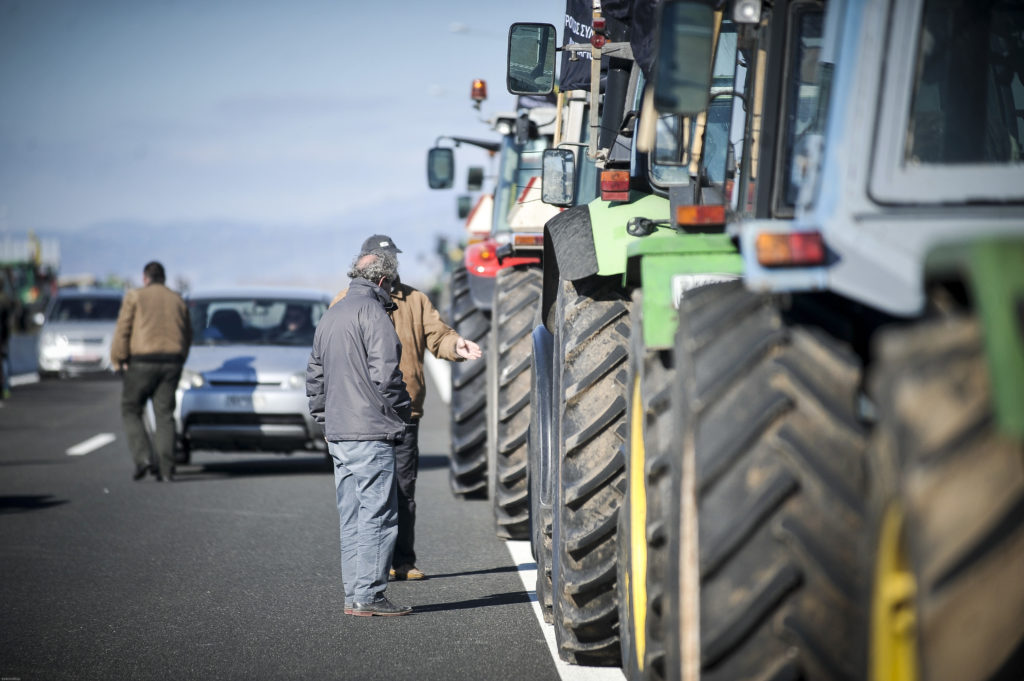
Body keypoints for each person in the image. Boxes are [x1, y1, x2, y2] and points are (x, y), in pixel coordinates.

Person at [331, 234, 482, 581]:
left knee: (402, 490)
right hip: (362, 416)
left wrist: (457, 345)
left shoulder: (415, 300)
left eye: (389, 258)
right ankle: (369, 566)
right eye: (377, 259)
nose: (387, 264)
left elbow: (437, 335)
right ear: (362, 262)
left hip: (405, 413)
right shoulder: (343, 301)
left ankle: (403, 561)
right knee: (364, 494)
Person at [308, 250, 414, 617]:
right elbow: (387, 375)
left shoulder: (331, 314)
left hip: (339, 433)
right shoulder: (373, 313)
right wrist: (402, 413)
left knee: (351, 516)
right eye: (392, 285)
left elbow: (315, 378)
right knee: (379, 515)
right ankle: (369, 596)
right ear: (383, 281)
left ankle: (355, 595)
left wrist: (325, 420)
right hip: (370, 431)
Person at [110, 261, 191, 481]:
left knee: (131, 408)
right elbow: (187, 334)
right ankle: (166, 469)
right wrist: (180, 358)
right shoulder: (177, 299)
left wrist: (118, 359)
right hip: (172, 362)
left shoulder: (135, 296)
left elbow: (123, 329)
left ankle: (143, 457)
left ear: (145, 278)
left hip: (142, 362)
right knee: (164, 414)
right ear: (164, 279)